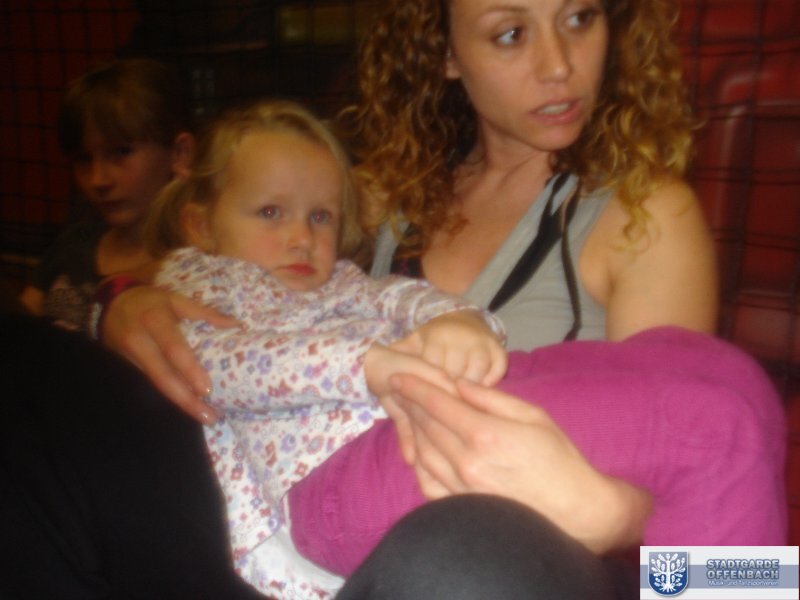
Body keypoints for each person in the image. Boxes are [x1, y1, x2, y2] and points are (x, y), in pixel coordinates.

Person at [36, 0, 784, 597]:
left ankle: (753, 589)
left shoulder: (645, 217)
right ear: (447, 53)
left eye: (580, 18)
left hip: (574, 566)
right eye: (510, 33)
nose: (559, 65)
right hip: (351, 516)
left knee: (734, 398)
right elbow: (223, 262)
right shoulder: (385, 200)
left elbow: (695, 494)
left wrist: (612, 516)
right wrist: (120, 302)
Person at [144, 99, 506, 596]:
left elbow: (396, 294)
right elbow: (230, 367)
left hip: (407, 426)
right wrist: (365, 365)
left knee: (587, 390)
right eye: (270, 212)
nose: (300, 237)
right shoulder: (196, 291)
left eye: (320, 216)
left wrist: (456, 318)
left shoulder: (339, 283)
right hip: (315, 482)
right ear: (201, 225)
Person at [17, 58, 194, 331]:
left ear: (179, 154)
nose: (97, 180)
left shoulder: (205, 263)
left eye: (121, 152)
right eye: (83, 159)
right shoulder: (74, 243)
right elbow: (19, 325)